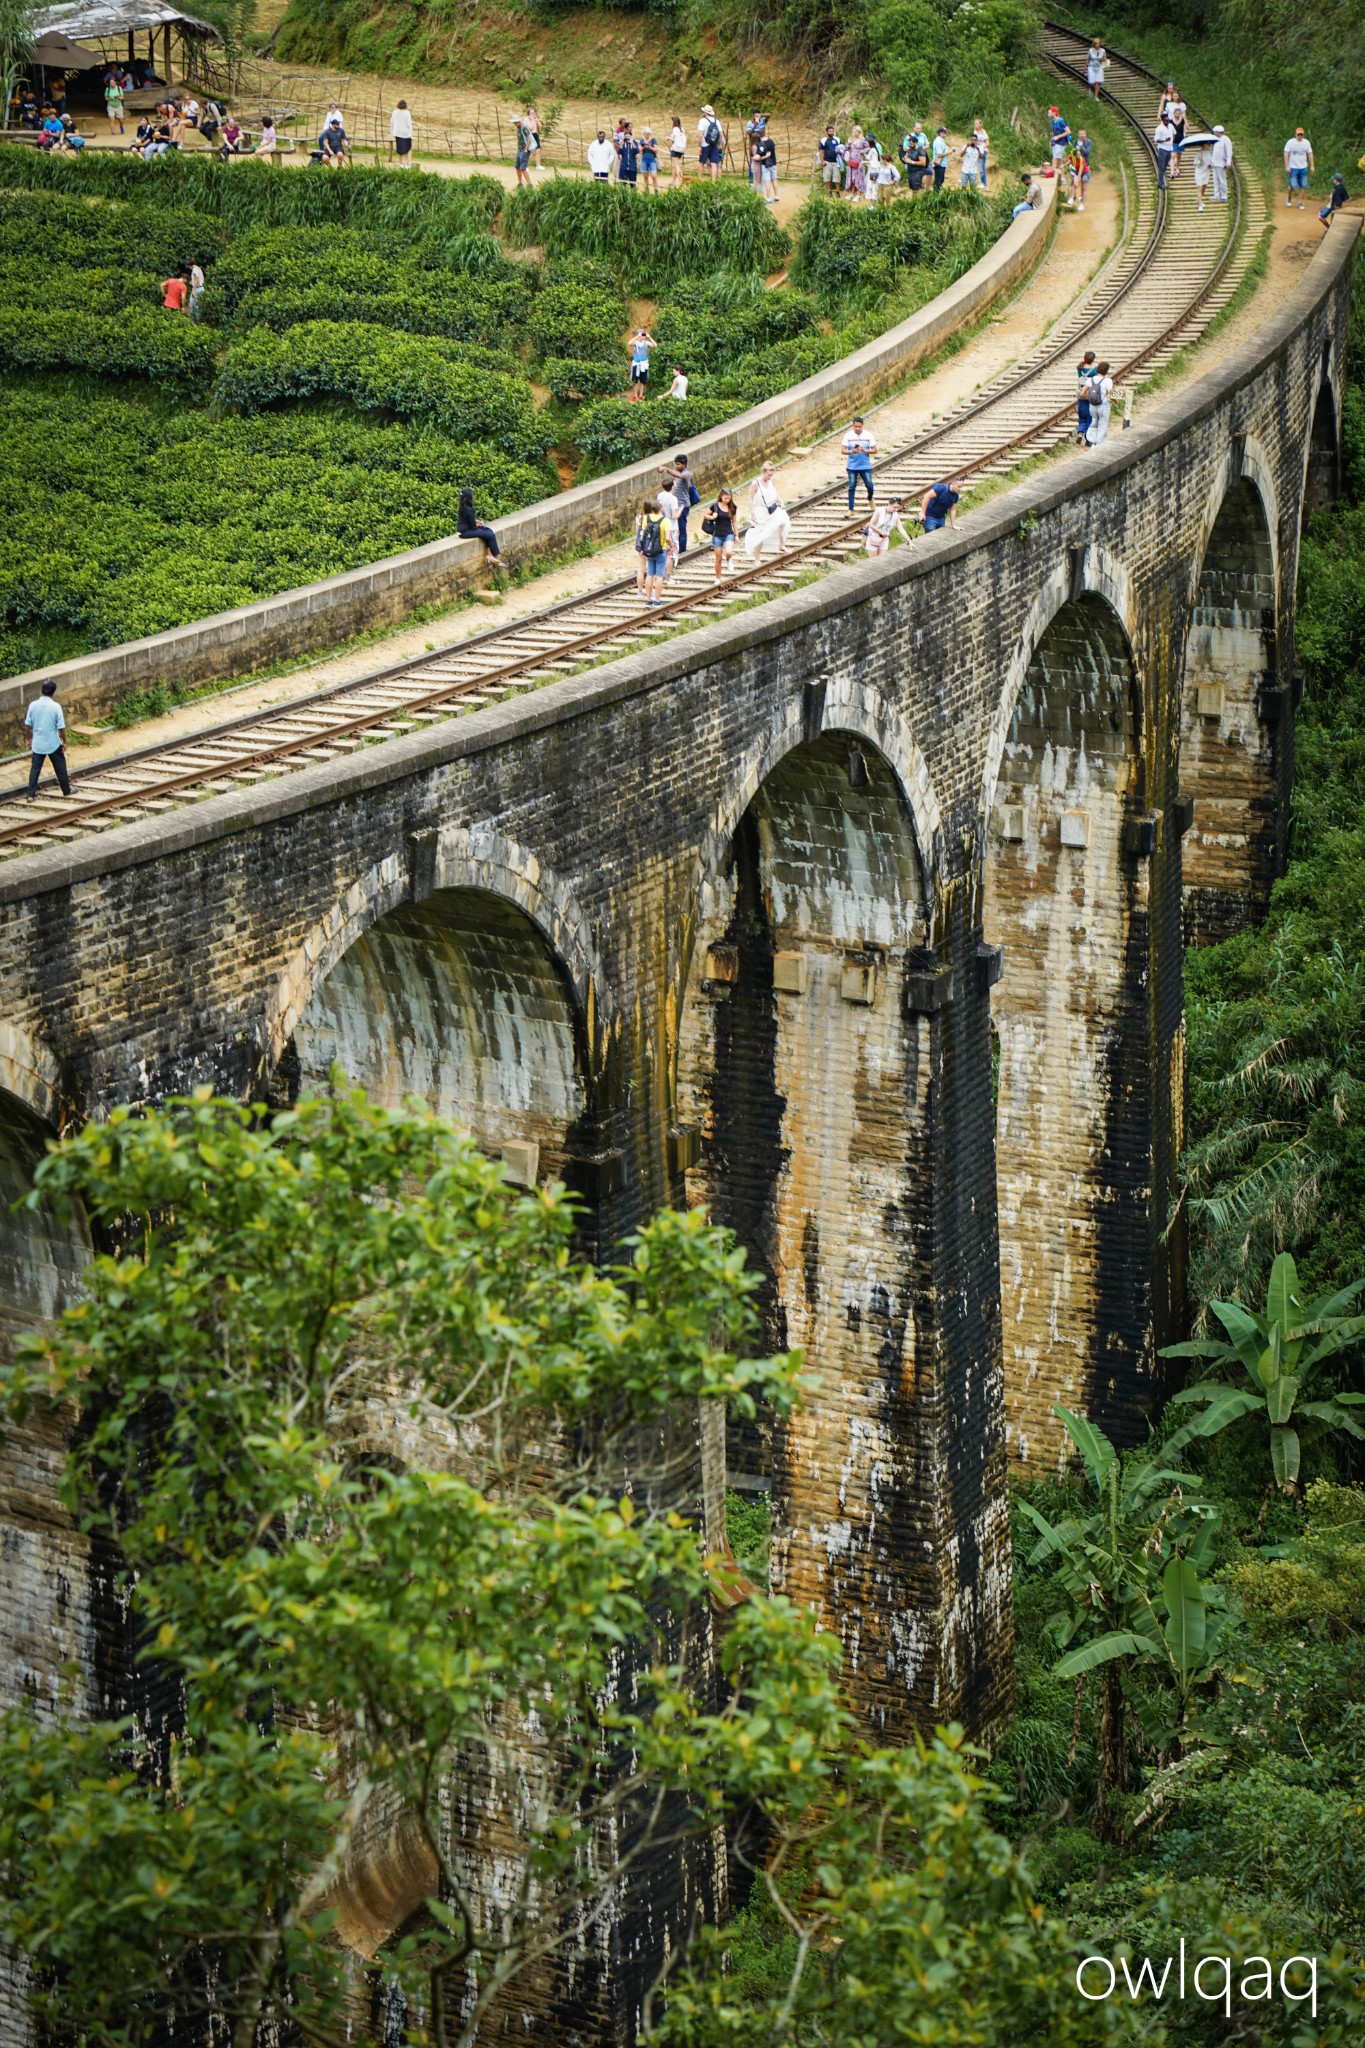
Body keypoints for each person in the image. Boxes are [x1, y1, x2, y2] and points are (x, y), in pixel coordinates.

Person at [25, 681, 73, 801]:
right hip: (53, 742)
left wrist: (27, 739)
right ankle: (66, 790)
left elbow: (27, 725)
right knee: (60, 766)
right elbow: (61, 727)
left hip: (38, 743)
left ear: (41, 691)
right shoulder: (55, 706)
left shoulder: (33, 705)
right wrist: (64, 741)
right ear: (53, 692)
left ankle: (30, 794)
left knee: (35, 769)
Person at [745, 463, 792, 559]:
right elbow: (750, 499)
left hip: (772, 509)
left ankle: (781, 545)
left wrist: (780, 501)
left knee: (784, 522)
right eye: (768, 475)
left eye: (771, 475)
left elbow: (774, 492)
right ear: (763, 472)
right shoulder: (755, 483)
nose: (770, 477)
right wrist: (752, 512)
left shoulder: (771, 481)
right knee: (760, 534)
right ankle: (757, 559)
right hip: (760, 511)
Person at [636, 497, 669, 605]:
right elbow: (668, 538)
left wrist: (642, 547)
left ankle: (648, 599)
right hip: (660, 549)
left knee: (650, 574)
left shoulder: (646, 518)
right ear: (660, 509)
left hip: (648, 549)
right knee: (659, 575)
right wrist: (671, 546)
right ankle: (658, 600)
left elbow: (642, 533)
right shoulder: (665, 520)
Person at [701, 487, 738, 581]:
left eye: (729, 498)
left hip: (728, 533)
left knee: (729, 552)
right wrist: (712, 517)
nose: (727, 500)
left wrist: (736, 535)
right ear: (721, 496)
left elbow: (734, 521)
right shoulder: (715, 506)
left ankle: (729, 559)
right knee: (718, 558)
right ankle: (718, 578)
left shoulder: (732, 507)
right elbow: (705, 515)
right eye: (726, 498)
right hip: (717, 534)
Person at [667, 452, 700, 551]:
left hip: (683, 505)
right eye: (675, 464)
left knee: (681, 527)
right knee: (675, 528)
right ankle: (676, 548)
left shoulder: (686, 473)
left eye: (678, 464)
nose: (676, 466)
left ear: (684, 464)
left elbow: (681, 476)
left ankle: (682, 550)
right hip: (675, 505)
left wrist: (666, 469)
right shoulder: (677, 475)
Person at [843, 417, 876, 509]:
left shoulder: (868, 435)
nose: (857, 428)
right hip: (852, 466)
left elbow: (875, 450)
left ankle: (870, 498)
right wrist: (851, 452)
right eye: (855, 426)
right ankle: (851, 509)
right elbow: (843, 450)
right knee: (851, 487)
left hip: (865, 465)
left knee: (870, 485)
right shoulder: (848, 436)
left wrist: (865, 450)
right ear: (853, 426)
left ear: (862, 426)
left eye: (859, 426)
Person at [457, 488, 500, 559]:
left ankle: (490, 554)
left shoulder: (462, 507)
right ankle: (496, 558)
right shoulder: (469, 510)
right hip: (466, 532)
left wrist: (476, 522)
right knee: (490, 534)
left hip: (462, 531)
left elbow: (466, 521)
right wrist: (479, 524)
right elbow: (473, 526)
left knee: (488, 531)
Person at [1085, 360, 1113, 444]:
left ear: (1097, 369)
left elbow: (1082, 393)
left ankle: (1092, 441)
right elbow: (1110, 396)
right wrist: (1116, 400)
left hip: (1092, 406)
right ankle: (1098, 443)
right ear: (1106, 371)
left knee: (1094, 423)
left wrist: (1091, 397)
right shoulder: (1108, 381)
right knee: (1102, 424)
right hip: (1103, 406)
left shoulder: (1090, 380)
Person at [1284, 128, 1313, 209]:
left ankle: (1299, 202)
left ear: (1303, 135)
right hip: (1293, 167)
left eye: (1301, 134)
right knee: (1292, 185)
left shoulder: (1306, 142)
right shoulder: (1290, 142)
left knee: (1302, 185)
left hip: (1303, 167)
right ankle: (1289, 196)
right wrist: (1287, 166)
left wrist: (1312, 165)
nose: (1300, 136)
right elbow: (1286, 153)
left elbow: (1310, 154)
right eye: (1298, 134)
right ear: (1295, 134)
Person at [628, 327, 656, 402]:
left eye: (643, 334)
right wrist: (637, 337)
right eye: (641, 334)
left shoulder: (646, 343)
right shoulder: (636, 343)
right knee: (636, 381)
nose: (642, 336)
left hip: (644, 364)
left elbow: (655, 345)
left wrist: (649, 337)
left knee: (642, 381)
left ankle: (641, 396)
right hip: (636, 364)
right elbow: (629, 343)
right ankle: (635, 396)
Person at [698, 104, 724, 182]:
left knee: (702, 162)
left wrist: (699, 145)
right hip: (714, 145)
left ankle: (700, 180)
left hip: (704, 144)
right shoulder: (717, 121)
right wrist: (718, 144)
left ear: (705, 112)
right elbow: (721, 134)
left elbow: (700, 134)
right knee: (714, 163)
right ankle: (714, 181)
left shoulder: (702, 121)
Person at [1075, 350, 1096, 442]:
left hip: (1080, 395)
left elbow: (1081, 364)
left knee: (1082, 416)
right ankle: (1088, 439)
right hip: (1090, 396)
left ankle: (1080, 432)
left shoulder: (1080, 369)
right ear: (1093, 360)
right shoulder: (1094, 371)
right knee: (1089, 418)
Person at [1165, 88, 1186, 175]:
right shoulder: (1169, 105)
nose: (1175, 97)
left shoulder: (1182, 119)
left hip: (1180, 138)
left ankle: (1177, 167)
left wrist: (1185, 131)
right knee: (1173, 155)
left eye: (1176, 95)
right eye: (1174, 96)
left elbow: (1184, 125)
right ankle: (1172, 171)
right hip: (1173, 140)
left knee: (1179, 155)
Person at [1153, 109, 1175, 192]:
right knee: (1161, 166)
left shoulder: (1171, 126)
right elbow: (1157, 140)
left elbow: (1174, 133)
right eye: (1166, 120)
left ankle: (1161, 179)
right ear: (1162, 120)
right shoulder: (1159, 129)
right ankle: (1161, 183)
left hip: (1169, 148)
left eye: (1168, 120)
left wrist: (1171, 141)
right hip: (1162, 149)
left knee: (1165, 165)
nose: (1167, 121)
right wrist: (1165, 140)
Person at [1210, 126, 1233, 203]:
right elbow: (1212, 151)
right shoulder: (1214, 139)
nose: (1215, 133)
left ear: (1219, 132)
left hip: (1221, 163)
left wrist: (1228, 162)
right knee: (1215, 180)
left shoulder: (1225, 139)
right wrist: (1211, 161)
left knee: (1222, 179)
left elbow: (1229, 151)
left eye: (1216, 132)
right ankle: (1216, 195)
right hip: (1214, 163)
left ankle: (1223, 195)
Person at [756, 129, 778, 203]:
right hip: (773, 163)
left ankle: (768, 199)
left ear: (759, 135)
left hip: (765, 164)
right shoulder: (771, 142)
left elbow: (759, 157)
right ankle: (776, 197)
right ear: (765, 133)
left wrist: (763, 157)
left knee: (767, 181)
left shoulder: (760, 144)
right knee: (774, 180)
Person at [846, 126, 867, 202]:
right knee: (852, 178)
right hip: (851, 161)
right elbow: (845, 149)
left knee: (859, 178)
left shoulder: (863, 140)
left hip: (859, 162)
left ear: (859, 132)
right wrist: (848, 143)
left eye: (855, 132)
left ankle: (859, 195)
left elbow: (868, 148)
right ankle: (852, 193)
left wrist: (862, 152)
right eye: (853, 132)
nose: (854, 133)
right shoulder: (851, 139)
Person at [390, 98, 414, 165]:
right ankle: (409, 162)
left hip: (397, 133)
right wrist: (411, 134)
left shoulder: (395, 112)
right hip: (406, 133)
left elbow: (392, 122)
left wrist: (392, 132)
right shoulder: (407, 112)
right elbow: (409, 124)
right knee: (409, 148)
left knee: (399, 148)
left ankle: (400, 163)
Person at [819, 125, 843, 191]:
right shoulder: (823, 140)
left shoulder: (837, 139)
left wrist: (839, 152)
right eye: (829, 131)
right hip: (827, 161)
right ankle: (829, 190)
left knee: (837, 177)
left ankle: (838, 191)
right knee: (827, 176)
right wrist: (822, 161)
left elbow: (841, 148)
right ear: (826, 132)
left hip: (836, 161)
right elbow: (821, 151)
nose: (831, 132)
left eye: (832, 131)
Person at [616, 124, 640, 189]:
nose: (627, 138)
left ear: (631, 136)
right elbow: (618, 152)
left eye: (629, 136)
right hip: (624, 167)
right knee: (622, 185)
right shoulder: (622, 143)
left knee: (633, 185)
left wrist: (632, 142)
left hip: (632, 167)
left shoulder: (634, 142)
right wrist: (622, 143)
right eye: (626, 137)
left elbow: (637, 151)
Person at [1191, 140, 1211, 211]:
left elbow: (1212, 162)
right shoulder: (1199, 153)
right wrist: (1200, 161)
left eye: (1209, 144)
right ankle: (1200, 204)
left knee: (1204, 187)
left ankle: (1199, 198)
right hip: (1199, 172)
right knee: (1200, 187)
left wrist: (1211, 165)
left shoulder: (1210, 152)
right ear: (1204, 145)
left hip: (1206, 172)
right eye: (1207, 144)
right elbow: (1195, 163)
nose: (1208, 146)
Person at [104, 70, 125, 135]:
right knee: (111, 119)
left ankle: (121, 127)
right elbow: (106, 98)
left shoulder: (119, 88)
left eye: (113, 82)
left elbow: (122, 97)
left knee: (121, 120)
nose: (112, 83)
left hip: (118, 105)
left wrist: (119, 98)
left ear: (115, 83)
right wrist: (110, 98)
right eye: (110, 82)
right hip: (111, 106)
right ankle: (112, 131)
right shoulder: (108, 89)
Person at [514, 110, 532, 186]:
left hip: (524, 150)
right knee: (517, 167)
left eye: (515, 122)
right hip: (520, 150)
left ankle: (530, 184)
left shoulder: (524, 128)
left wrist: (526, 149)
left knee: (523, 168)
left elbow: (529, 139)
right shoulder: (518, 128)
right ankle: (520, 183)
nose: (514, 124)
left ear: (518, 121)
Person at [971, 117, 989, 191]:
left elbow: (988, 143)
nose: (975, 125)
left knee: (981, 166)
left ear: (980, 125)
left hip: (982, 151)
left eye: (977, 123)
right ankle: (971, 180)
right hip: (976, 150)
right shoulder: (975, 132)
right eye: (975, 123)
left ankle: (983, 183)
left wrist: (983, 147)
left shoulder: (983, 133)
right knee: (973, 164)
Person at [640, 127, 659, 194]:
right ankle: (646, 189)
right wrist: (643, 146)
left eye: (647, 134)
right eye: (645, 134)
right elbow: (639, 150)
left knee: (654, 176)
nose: (646, 135)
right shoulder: (642, 140)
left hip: (651, 159)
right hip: (644, 159)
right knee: (645, 175)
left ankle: (656, 190)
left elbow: (656, 149)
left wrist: (649, 147)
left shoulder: (653, 140)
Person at [524, 105, 543, 169]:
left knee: (538, 150)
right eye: (532, 113)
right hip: (529, 135)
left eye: (533, 112)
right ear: (528, 113)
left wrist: (537, 120)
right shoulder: (526, 119)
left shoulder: (534, 119)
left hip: (535, 134)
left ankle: (538, 165)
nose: (533, 114)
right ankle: (525, 166)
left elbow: (540, 127)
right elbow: (530, 128)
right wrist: (532, 120)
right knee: (528, 150)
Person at [669, 116, 686, 185]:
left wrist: (668, 138)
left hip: (675, 149)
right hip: (681, 149)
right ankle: (673, 181)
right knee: (674, 166)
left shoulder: (675, 129)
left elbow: (673, 139)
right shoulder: (682, 129)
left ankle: (681, 179)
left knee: (676, 166)